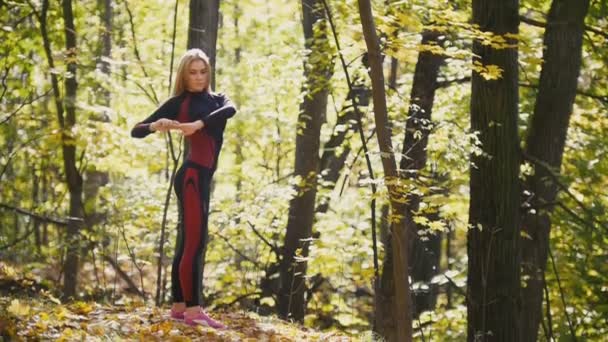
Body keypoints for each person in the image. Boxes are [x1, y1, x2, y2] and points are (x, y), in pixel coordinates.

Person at [130, 49, 236, 328]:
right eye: (193, 72)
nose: (199, 77)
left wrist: (196, 125)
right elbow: (136, 130)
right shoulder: (179, 102)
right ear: (183, 74)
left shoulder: (217, 100)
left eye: (203, 71)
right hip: (191, 177)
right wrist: (156, 125)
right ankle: (194, 310)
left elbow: (230, 110)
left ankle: (179, 307)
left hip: (200, 178)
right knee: (194, 242)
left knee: (188, 241)